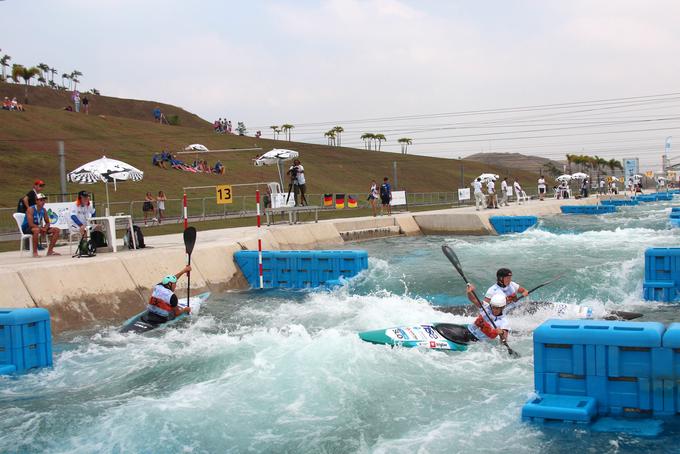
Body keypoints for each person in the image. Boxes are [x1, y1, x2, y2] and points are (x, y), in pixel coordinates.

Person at [22, 193, 60, 257]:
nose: (43, 202)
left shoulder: (44, 210)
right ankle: (35, 252)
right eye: (41, 200)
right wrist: (41, 228)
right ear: (36, 201)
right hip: (27, 227)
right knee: (36, 230)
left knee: (56, 230)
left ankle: (50, 251)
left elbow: (47, 222)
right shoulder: (30, 209)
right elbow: (31, 224)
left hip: (38, 227)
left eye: (44, 200)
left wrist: (45, 228)